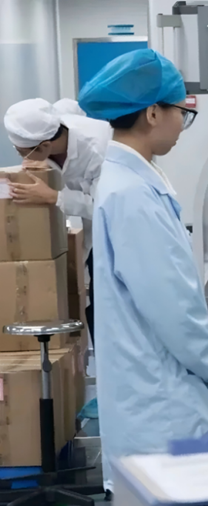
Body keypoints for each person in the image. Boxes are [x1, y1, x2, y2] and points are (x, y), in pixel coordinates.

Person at [78, 48, 208, 491]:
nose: (181, 126)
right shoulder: (132, 194)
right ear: (153, 113)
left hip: (154, 389)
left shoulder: (131, 182)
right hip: (162, 399)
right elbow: (173, 307)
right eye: (181, 114)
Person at [3, 98, 111, 341]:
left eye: (23, 152)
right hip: (91, 229)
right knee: (92, 300)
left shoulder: (100, 149)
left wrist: (54, 197)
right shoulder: (53, 124)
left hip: (119, 231)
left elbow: (110, 209)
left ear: (43, 146)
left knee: (107, 303)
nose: (23, 158)